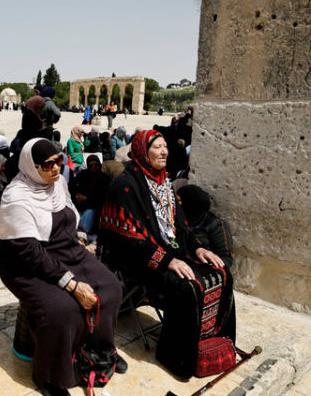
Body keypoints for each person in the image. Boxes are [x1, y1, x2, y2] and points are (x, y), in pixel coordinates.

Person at [99, 129, 235, 378]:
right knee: (188, 286)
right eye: (157, 147)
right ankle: (179, 357)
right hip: (137, 260)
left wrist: (198, 247)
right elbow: (127, 239)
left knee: (221, 272)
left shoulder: (164, 181)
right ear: (142, 151)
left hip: (171, 251)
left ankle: (216, 342)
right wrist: (166, 260)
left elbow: (181, 225)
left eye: (165, 146)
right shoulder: (125, 185)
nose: (164, 151)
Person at [0, 138, 124, 395]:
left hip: (65, 249)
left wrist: (81, 236)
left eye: (59, 161)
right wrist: (71, 284)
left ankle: (101, 349)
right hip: (25, 262)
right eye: (47, 164)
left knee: (111, 287)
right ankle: (50, 377)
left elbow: (70, 211)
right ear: (32, 167)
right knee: (61, 309)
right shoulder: (16, 197)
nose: (56, 168)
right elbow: (29, 253)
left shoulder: (58, 183)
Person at [177, 185, 234, 268]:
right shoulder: (176, 220)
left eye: (179, 201)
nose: (175, 204)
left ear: (190, 203)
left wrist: (204, 262)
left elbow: (226, 259)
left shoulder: (215, 225)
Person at [73, 155, 108, 234]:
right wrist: (77, 195)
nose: (93, 167)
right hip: (81, 206)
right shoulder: (83, 175)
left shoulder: (104, 178)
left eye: (96, 165)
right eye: (91, 165)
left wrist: (86, 198)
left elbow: (101, 197)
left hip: (96, 209)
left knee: (89, 213)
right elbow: (75, 187)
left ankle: (79, 235)